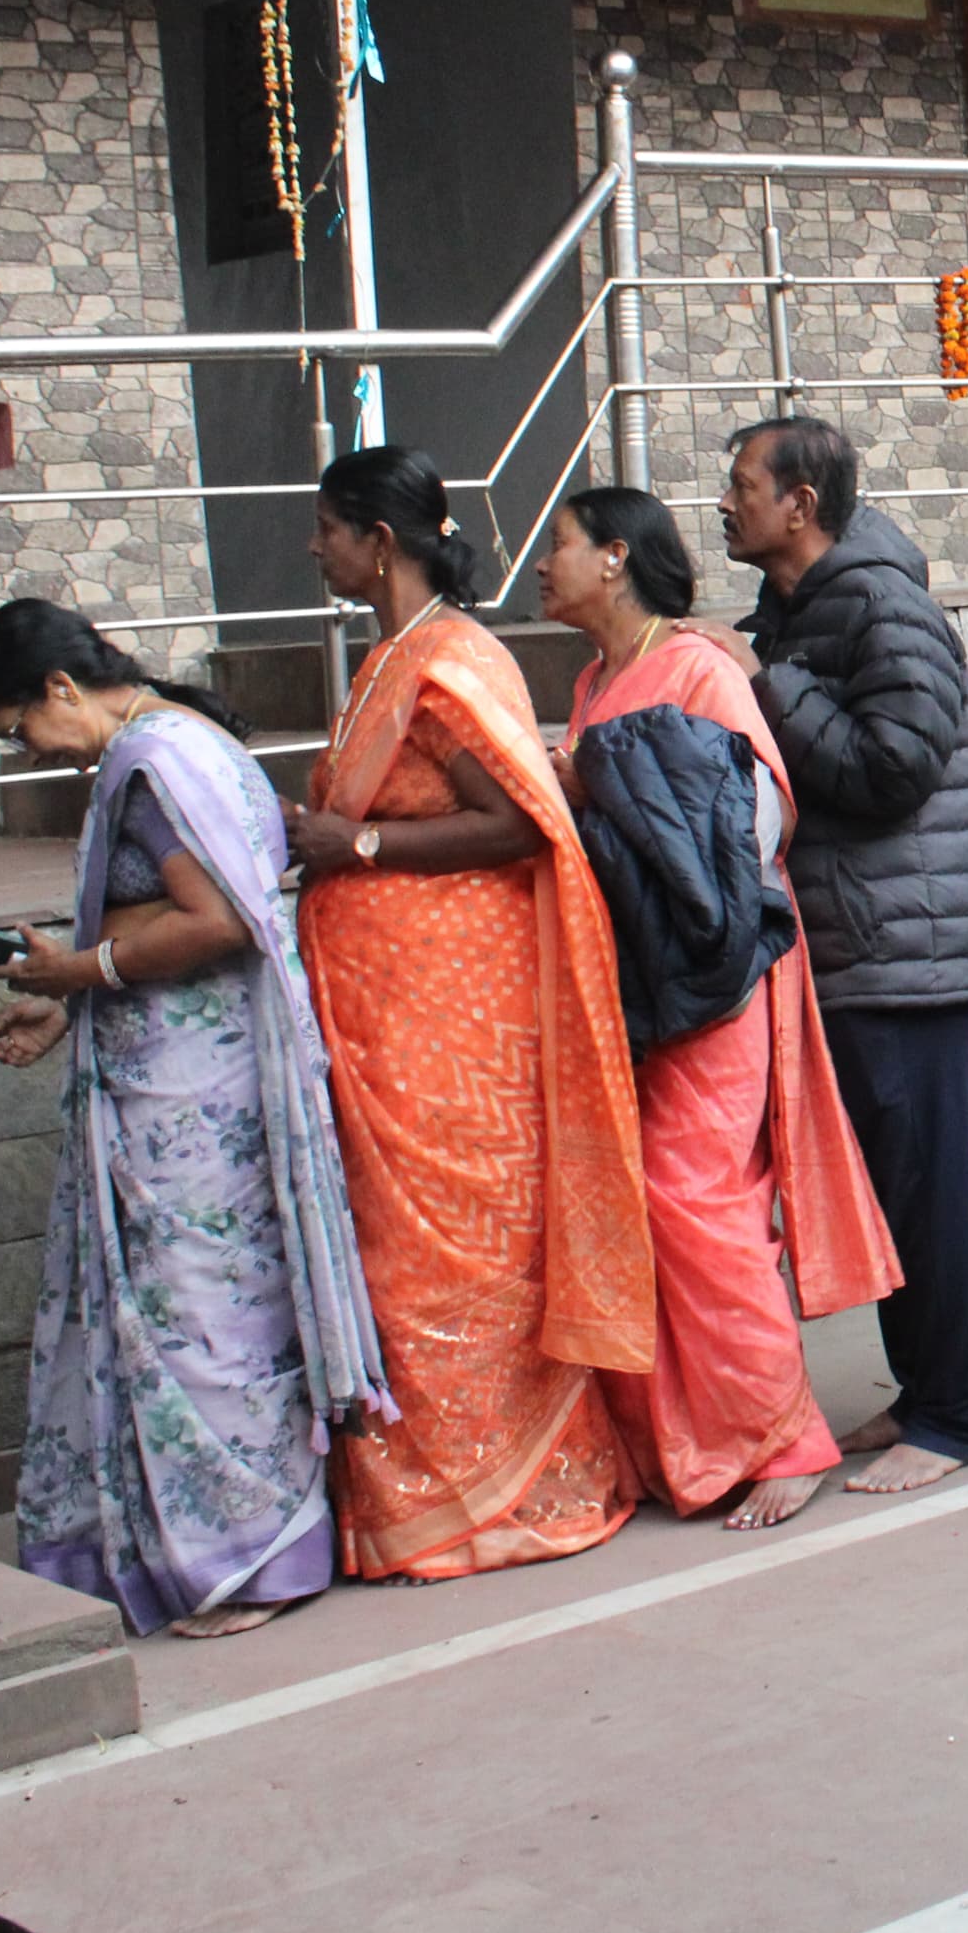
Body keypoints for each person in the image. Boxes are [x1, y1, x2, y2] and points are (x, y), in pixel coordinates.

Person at [0, 600, 381, 1636]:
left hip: (186, 1095)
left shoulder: (149, 761)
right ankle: (230, 1544)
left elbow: (214, 917)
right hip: (208, 1068)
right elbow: (173, 908)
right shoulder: (200, 743)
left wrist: (82, 967)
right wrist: (67, 993)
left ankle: (243, 1561)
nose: (31, 752)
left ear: (61, 688)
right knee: (220, 1303)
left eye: (20, 729)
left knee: (195, 1311)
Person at [289, 447, 654, 1579]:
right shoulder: (392, 653)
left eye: (328, 530)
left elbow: (516, 822)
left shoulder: (451, 659)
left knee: (454, 1254)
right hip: (384, 1005)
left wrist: (355, 844)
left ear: (380, 542)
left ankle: (510, 1497)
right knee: (392, 1251)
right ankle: (421, 1500)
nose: (316, 548)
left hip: (454, 1015)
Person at [543, 485, 903, 1531]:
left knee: (695, 1194)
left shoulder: (695, 667)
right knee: (657, 1202)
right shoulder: (595, 677)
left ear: (614, 557)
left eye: (559, 546)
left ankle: (784, 1436)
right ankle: (697, 1442)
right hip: (638, 981)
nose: (542, 565)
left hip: (714, 970)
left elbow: (757, 811)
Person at [725, 415, 968, 1497]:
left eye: (743, 484)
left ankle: (951, 1417)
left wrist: (774, 692)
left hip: (904, 944)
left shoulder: (881, 601)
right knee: (883, 1187)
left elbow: (894, 768)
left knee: (921, 1188)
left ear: (800, 504)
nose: (725, 502)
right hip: (858, 937)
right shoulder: (806, 610)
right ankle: (919, 1388)